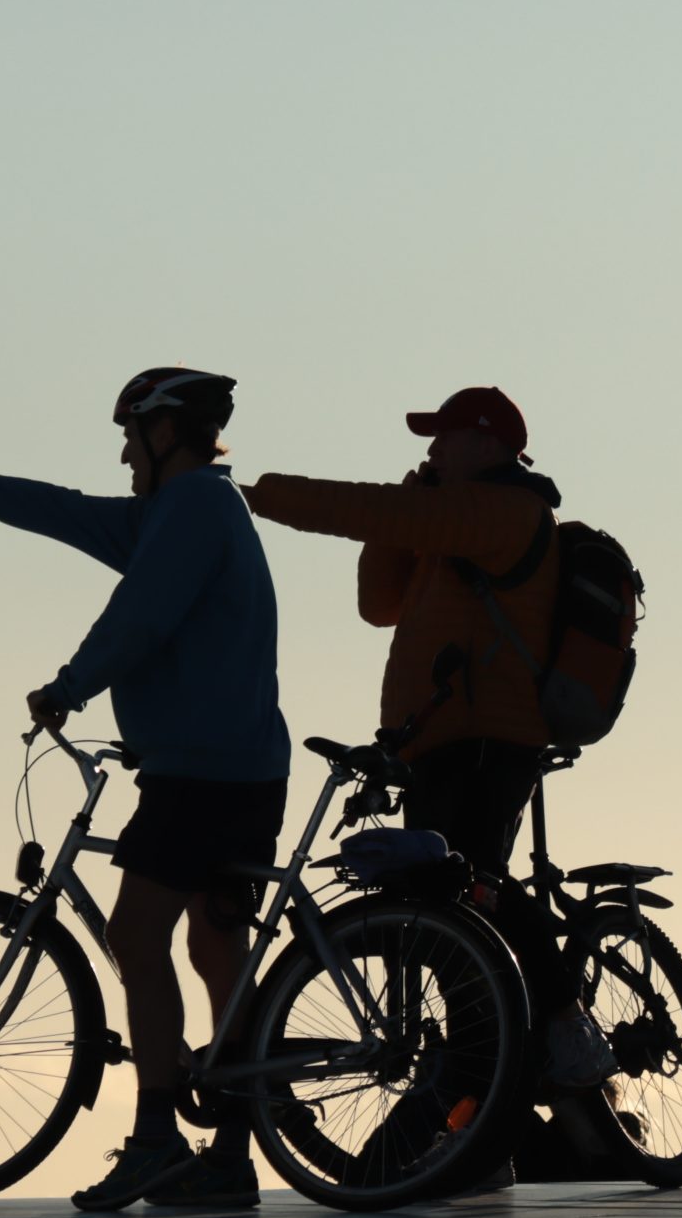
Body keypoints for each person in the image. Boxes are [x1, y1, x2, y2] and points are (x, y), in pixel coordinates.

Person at [0, 368, 287, 1211]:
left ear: (165, 433)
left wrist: (69, 686)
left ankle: (157, 1139)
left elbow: (144, 615)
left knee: (138, 937)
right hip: (233, 765)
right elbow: (63, 510)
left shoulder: (195, 510)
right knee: (214, 949)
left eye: (130, 434)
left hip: (201, 771)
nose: (123, 451)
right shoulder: (177, 513)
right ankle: (230, 1156)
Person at [243, 387, 614, 1092]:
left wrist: (263, 495)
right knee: (445, 920)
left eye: (442, 437)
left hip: (487, 740)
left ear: (484, 443)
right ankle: (479, 1094)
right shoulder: (449, 523)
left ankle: (561, 1028)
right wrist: (406, 517)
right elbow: (377, 603)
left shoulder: (506, 512)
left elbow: (375, 508)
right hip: (434, 746)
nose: (431, 450)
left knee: (470, 898)